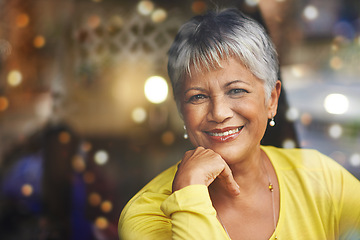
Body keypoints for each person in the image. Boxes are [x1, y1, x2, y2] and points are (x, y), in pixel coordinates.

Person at [118, 8, 360, 240]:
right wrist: (189, 190)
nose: (219, 113)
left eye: (236, 90)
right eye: (198, 96)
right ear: (182, 111)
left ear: (271, 100)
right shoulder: (145, 214)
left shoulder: (321, 180)